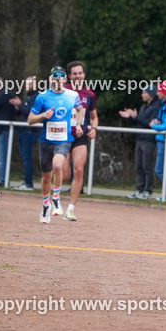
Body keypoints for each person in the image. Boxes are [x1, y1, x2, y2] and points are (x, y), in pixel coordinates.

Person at [27, 66, 83, 223]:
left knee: (58, 166)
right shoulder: (42, 97)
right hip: (46, 141)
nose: (58, 78)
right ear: (51, 79)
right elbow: (30, 120)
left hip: (64, 139)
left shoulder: (73, 95)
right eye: (55, 76)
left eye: (61, 76)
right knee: (46, 177)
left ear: (65, 79)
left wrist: (79, 124)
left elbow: (80, 109)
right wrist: (43, 115)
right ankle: (46, 205)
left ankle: (56, 197)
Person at [63, 61, 98, 220]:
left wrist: (94, 128)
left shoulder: (90, 95)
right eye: (74, 73)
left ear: (84, 74)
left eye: (80, 73)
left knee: (79, 169)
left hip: (80, 136)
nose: (77, 76)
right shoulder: (62, 91)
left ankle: (71, 208)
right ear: (70, 76)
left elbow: (94, 117)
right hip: (62, 135)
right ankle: (52, 199)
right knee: (63, 174)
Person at [119, 86, 160, 199]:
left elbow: (150, 123)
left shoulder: (156, 107)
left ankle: (148, 191)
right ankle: (139, 189)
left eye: (144, 92)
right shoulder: (143, 107)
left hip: (149, 140)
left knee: (147, 166)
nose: (142, 95)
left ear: (150, 94)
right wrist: (131, 118)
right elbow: (140, 122)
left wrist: (136, 116)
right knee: (139, 166)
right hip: (140, 139)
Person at [15, 76, 40, 190]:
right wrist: (18, 108)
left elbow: (31, 113)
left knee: (27, 157)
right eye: (25, 83)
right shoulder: (29, 96)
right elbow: (23, 113)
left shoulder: (36, 97)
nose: (26, 86)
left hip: (29, 131)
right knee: (24, 157)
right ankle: (26, 181)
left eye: (29, 83)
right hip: (23, 131)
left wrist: (20, 104)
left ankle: (28, 183)